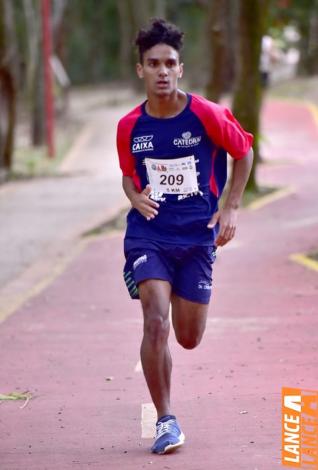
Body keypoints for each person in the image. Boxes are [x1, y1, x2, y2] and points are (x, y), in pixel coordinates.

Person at [116, 18, 254, 455]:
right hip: (149, 235)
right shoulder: (129, 126)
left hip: (197, 238)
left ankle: (169, 284)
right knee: (156, 322)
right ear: (140, 69)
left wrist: (230, 204)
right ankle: (166, 420)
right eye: (152, 63)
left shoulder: (207, 115)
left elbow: (244, 151)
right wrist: (134, 197)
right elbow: (128, 177)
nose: (161, 70)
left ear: (180, 68)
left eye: (169, 63)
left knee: (188, 337)